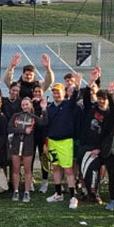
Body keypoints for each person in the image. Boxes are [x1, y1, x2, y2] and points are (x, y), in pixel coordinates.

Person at [43, 78, 81, 209]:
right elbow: (46, 126)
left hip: (66, 142)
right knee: (55, 168)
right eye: (54, 92)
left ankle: (73, 197)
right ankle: (58, 193)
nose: (56, 94)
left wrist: (77, 87)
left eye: (58, 92)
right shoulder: (49, 108)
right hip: (53, 142)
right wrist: (46, 143)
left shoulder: (68, 105)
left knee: (68, 170)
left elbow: (75, 96)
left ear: (64, 93)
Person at [8, 97, 40, 202]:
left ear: (31, 105)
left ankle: (27, 192)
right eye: (23, 105)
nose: (25, 106)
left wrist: (43, 108)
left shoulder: (33, 117)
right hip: (16, 145)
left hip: (28, 145)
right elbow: (9, 128)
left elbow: (44, 123)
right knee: (16, 169)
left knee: (27, 170)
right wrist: (23, 130)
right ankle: (16, 191)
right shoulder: (16, 115)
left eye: (27, 104)